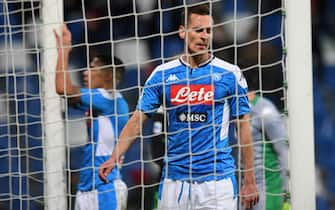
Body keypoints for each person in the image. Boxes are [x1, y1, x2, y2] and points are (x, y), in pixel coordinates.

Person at [99, 4, 259, 210]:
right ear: (183, 31)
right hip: (174, 182)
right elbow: (137, 121)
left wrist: (250, 179)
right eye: (198, 30)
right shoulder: (162, 75)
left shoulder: (230, 73)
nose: (204, 36)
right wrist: (114, 157)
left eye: (208, 31)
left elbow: (243, 128)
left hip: (217, 182)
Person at [54, 25, 129, 210]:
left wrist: (64, 50)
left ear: (108, 75)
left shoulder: (109, 98)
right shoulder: (99, 102)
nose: (85, 72)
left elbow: (63, 89)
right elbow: (69, 96)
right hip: (88, 188)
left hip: (104, 187)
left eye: (92, 67)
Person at [244, 75, 289, 210]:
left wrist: (285, 190)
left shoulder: (265, 110)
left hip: (267, 188)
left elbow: (283, 149)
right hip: (245, 186)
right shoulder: (235, 111)